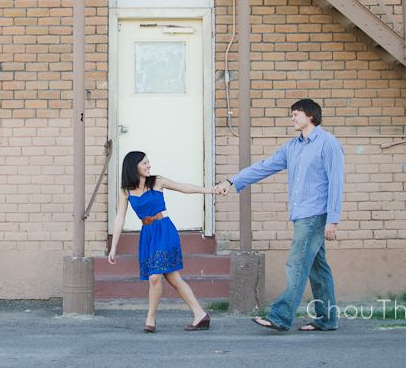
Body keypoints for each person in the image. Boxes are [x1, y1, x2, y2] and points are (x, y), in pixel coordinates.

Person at [215, 98, 345, 332]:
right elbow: (264, 166)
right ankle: (327, 319)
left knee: (295, 264)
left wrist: (333, 220)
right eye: (292, 114)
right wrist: (232, 180)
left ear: (310, 116)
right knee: (318, 268)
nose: (292, 118)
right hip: (301, 215)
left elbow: (336, 183)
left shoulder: (328, 144)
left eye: (296, 114)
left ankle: (281, 316)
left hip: (315, 214)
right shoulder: (292, 147)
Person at [109, 151, 227, 333]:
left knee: (155, 276)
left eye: (148, 163)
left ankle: (150, 319)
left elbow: (183, 187)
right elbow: (119, 218)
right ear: (133, 167)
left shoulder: (156, 181)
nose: (149, 166)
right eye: (145, 163)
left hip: (164, 229)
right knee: (173, 278)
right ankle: (200, 314)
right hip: (148, 234)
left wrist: (210, 190)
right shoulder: (126, 190)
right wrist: (114, 247)